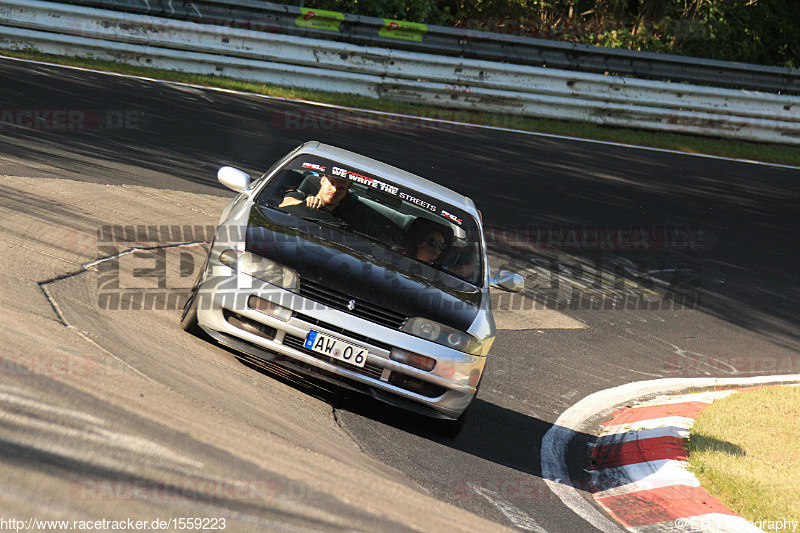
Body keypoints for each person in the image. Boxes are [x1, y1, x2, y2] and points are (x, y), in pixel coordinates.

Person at [280, 174, 352, 216]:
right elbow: (284, 203)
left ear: (346, 192)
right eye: (332, 183)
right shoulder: (300, 196)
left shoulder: (346, 217)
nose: (334, 190)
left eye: (341, 188)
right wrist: (304, 203)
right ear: (322, 180)